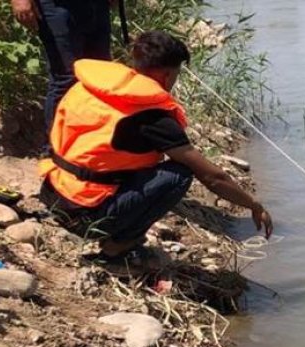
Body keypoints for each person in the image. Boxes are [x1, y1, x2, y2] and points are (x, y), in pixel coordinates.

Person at [38, 31, 272, 266]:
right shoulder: (152, 118)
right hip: (84, 214)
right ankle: (114, 252)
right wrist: (254, 205)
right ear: (166, 74)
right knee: (179, 175)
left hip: (51, 193)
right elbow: (213, 177)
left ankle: (111, 233)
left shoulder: (90, 86)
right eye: (177, 74)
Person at [10, 0, 112, 133]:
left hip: (97, 5)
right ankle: (56, 147)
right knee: (65, 77)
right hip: (56, 7)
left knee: (98, 74)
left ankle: (91, 142)